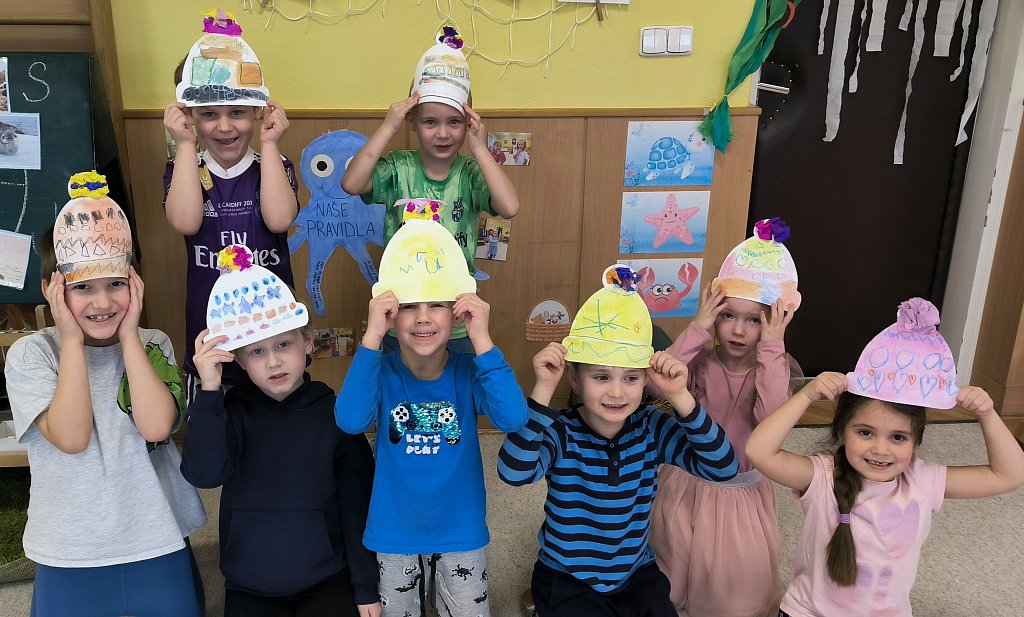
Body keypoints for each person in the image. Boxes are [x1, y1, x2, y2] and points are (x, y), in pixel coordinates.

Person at [4, 172, 206, 617]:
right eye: (82, 287)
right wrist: (71, 341)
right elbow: (71, 437)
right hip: (69, 548)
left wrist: (130, 335)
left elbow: (157, 426)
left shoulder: (151, 344)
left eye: (116, 283)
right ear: (52, 290)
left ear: (135, 282)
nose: (102, 303)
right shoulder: (32, 354)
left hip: (157, 534)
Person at [746, 298, 1024, 617]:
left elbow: (1010, 474)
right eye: (865, 432)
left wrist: (987, 414)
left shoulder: (923, 480)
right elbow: (759, 451)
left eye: (898, 437)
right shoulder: (822, 475)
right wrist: (807, 395)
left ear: (916, 441)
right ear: (842, 431)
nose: (880, 449)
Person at [498, 265, 739, 617]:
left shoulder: (651, 426)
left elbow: (723, 468)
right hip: (567, 576)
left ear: (645, 380)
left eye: (630, 378)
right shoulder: (561, 430)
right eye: (601, 377)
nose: (616, 392)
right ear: (575, 379)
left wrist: (680, 396)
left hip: (635, 572)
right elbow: (514, 473)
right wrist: (544, 389)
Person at [336, 211, 528, 617]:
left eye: (436, 304)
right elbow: (350, 420)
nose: (423, 317)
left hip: (460, 529)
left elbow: (512, 418)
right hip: (394, 531)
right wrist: (372, 337)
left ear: (456, 311)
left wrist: (482, 339)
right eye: (409, 306)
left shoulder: (469, 371)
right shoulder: (381, 372)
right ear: (391, 314)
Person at [180, 245, 380, 617]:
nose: (273, 361)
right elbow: (204, 475)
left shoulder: (338, 415)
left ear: (308, 343)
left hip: (327, 580)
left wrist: (366, 586)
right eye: (256, 352)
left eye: (283, 344)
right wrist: (209, 391)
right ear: (239, 360)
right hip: (249, 584)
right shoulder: (227, 412)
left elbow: (357, 506)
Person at [648, 218, 801, 616]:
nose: (738, 330)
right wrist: (697, 328)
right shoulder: (699, 361)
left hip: (739, 492)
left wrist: (773, 348)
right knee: (672, 564)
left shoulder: (774, 368)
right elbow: (656, 384)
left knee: (733, 585)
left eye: (755, 320)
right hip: (687, 479)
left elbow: (772, 421)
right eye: (728, 315)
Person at [341, 26, 520, 354]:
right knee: (398, 383)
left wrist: (479, 148)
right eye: (429, 122)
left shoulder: (469, 173)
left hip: (457, 318)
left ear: (468, 124)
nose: (442, 133)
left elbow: (509, 207)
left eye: (454, 122)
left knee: (457, 383)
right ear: (412, 121)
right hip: (401, 316)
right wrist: (388, 126)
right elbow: (351, 184)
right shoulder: (398, 168)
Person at [163, 9, 299, 401]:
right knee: (216, 424)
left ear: (257, 110)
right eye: (209, 115)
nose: (224, 126)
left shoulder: (273, 164)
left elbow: (279, 219)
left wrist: (270, 144)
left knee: (276, 422)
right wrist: (184, 144)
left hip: (273, 338)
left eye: (237, 112)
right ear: (189, 115)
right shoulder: (182, 168)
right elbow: (186, 222)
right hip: (213, 337)